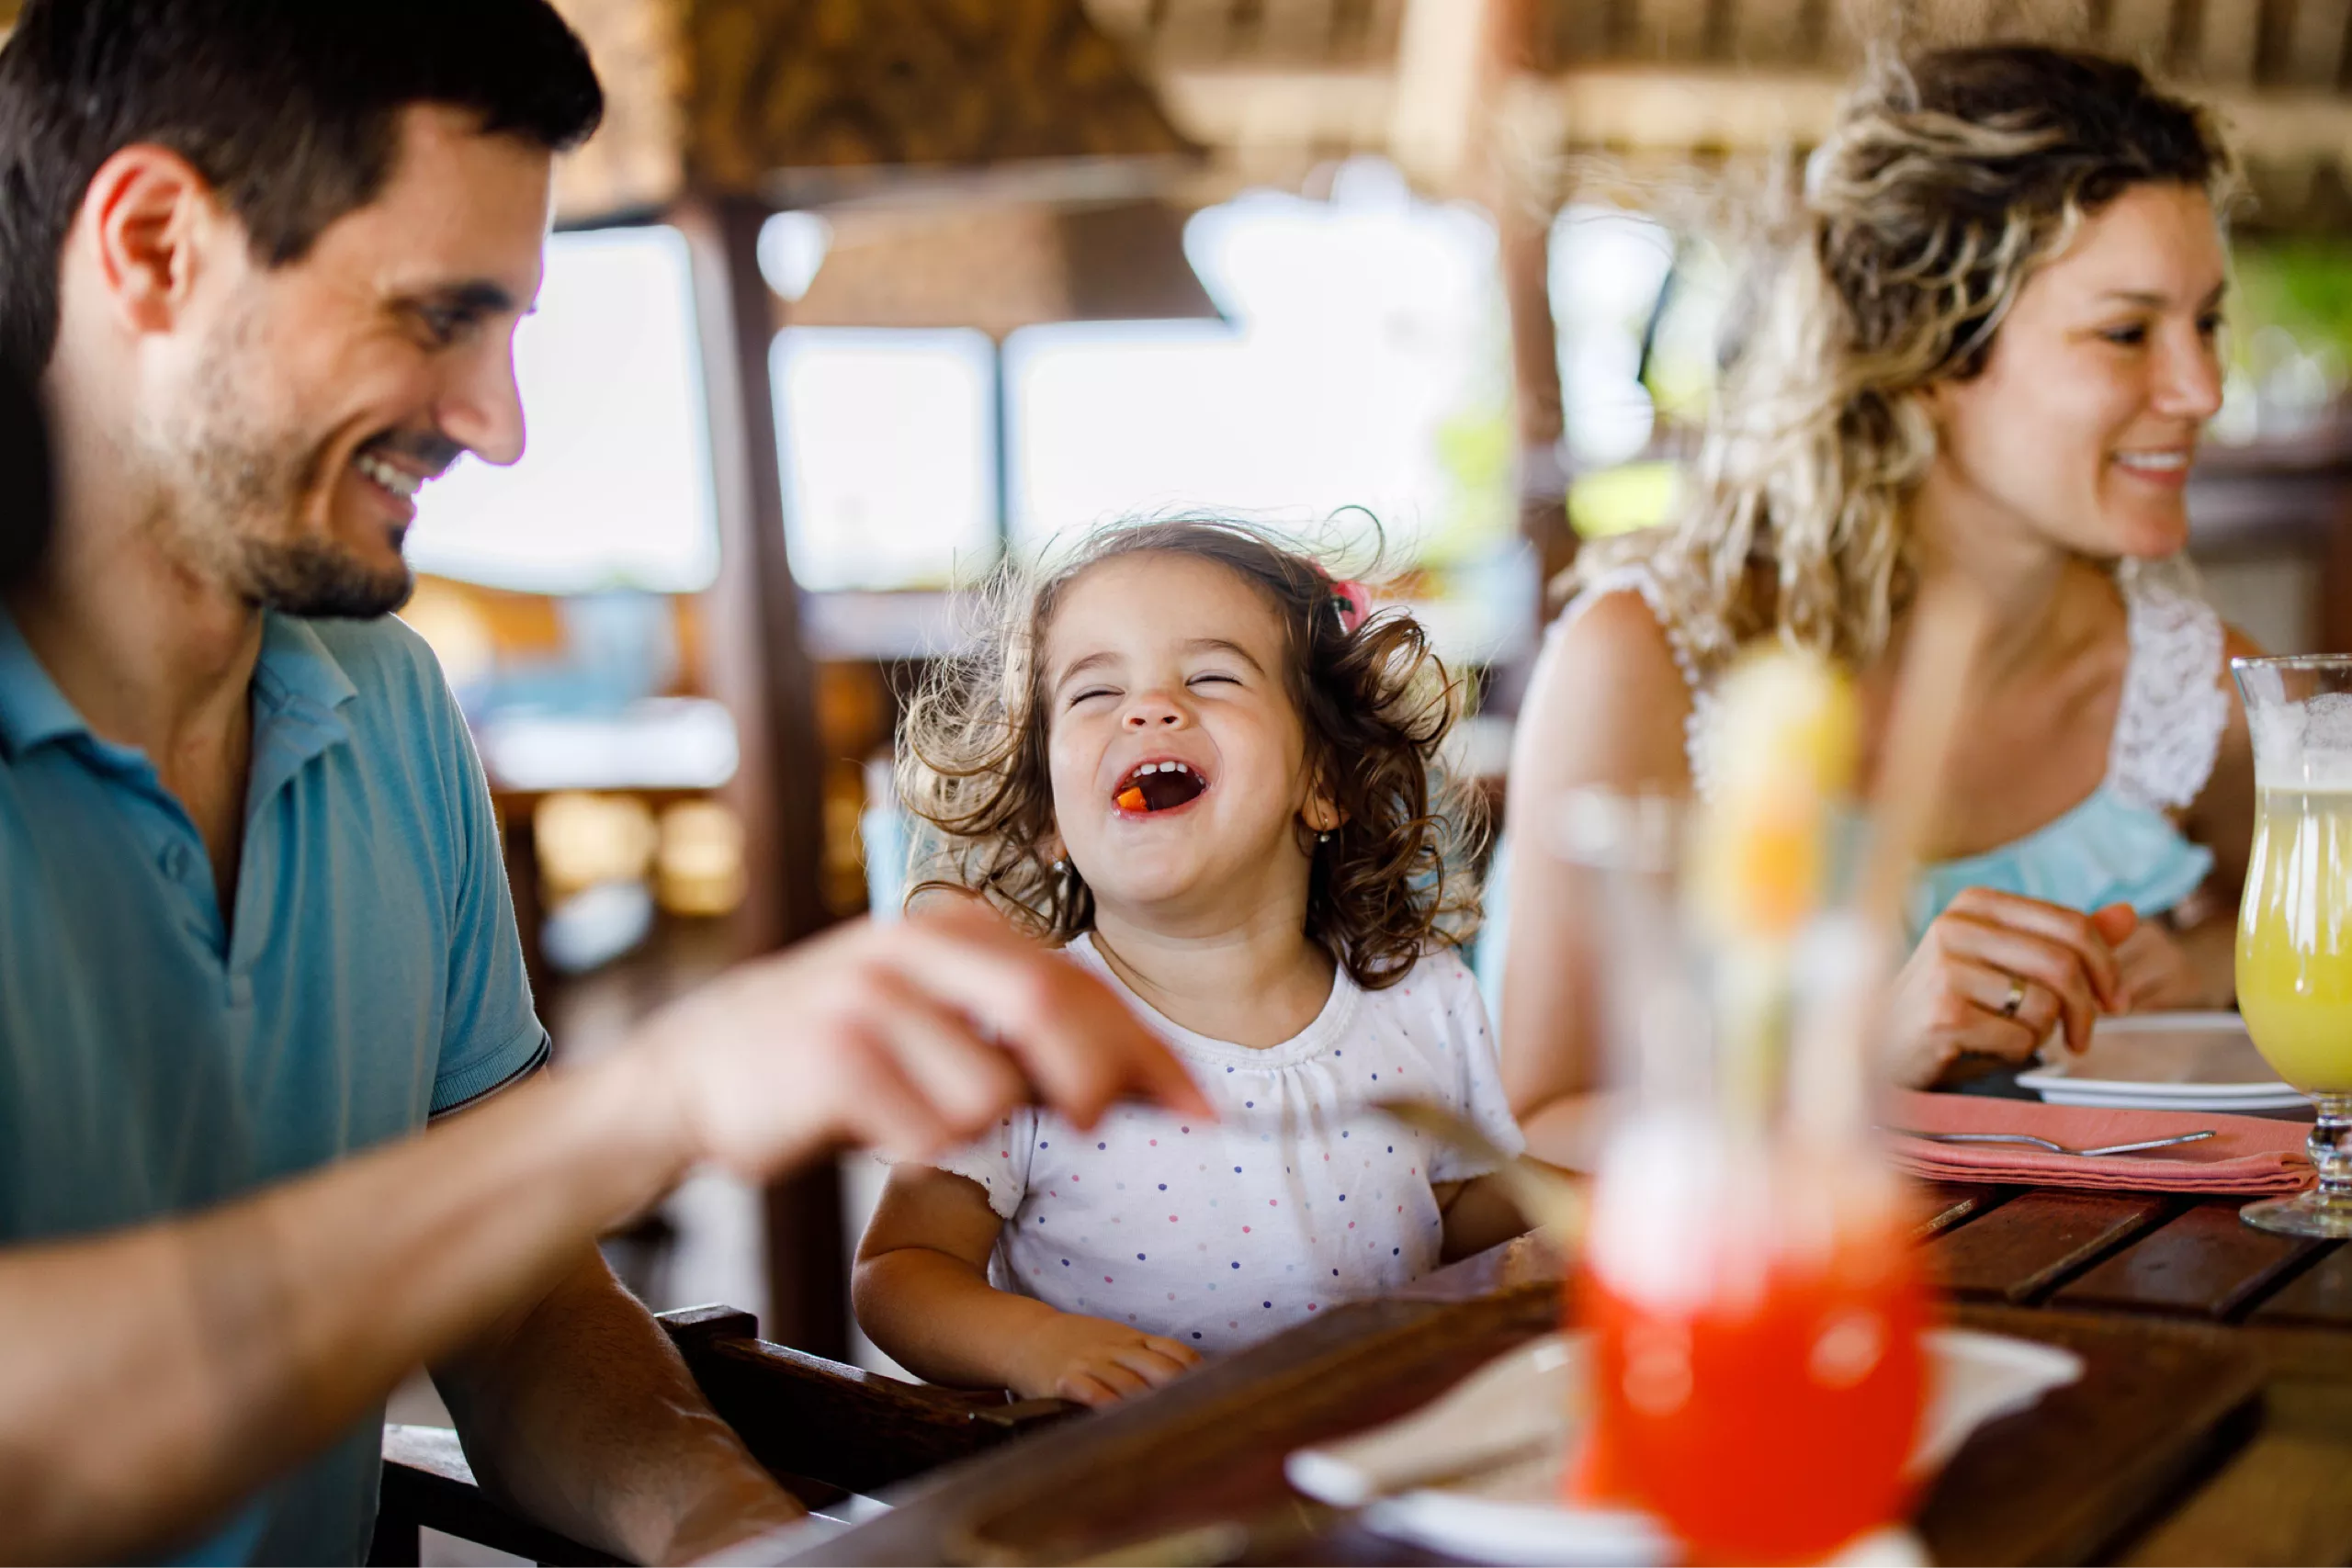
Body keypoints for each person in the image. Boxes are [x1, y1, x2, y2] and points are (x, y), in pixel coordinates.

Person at [0, 5, 1209, 1566]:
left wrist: (741, 1538)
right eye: (440, 318)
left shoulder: (384, 708)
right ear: (155, 245)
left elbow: (517, 1303)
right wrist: (652, 1103)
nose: (497, 426)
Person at [1498, 45, 2261, 1162]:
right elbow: (1538, 1132)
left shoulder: (2195, 701)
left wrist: (2204, 970)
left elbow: (2301, 948)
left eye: (2206, 324)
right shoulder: (1655, 663)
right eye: (2126, 332)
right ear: (1927, 353)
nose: (2201, 389)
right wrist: (1857, 1058)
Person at [853, 520, 1527, 1405]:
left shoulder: (1423, 999)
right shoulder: (1027, 1033)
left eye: (1210, 675)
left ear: (1323, 781)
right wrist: (1038, 1344)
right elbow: (899, 1268)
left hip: (1374, 1461)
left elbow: (1458, 1204)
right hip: (1128, 1494)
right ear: (1052, 815)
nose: (1147, 707)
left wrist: (1603, 1208)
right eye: (1096, 692)